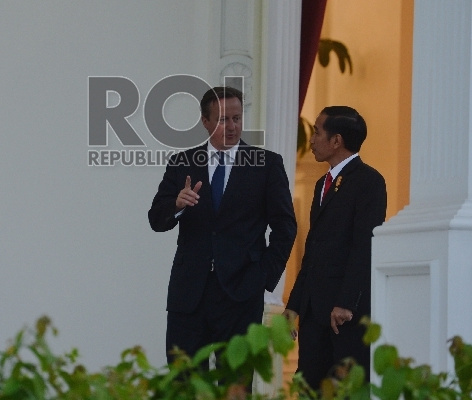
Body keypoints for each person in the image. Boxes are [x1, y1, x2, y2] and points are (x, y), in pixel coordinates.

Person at [148, 86, 297, 365]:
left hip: (241, 294)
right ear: (205, 122)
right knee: (184, 382)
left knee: (235, 384)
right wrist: (177, 205)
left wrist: (263, 276)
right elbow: (156, 218)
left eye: (237, 118)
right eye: (222, 120)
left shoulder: (266, 165)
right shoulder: (183, 163)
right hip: (189, 293)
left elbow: (285, 227)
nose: (231, 127)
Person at [284, 106, 386, 387]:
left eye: (317, 132)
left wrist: (345, 303)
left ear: (336, 140)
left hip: (344, 316)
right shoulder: (321, 184)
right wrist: (294, 306)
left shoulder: (369, 182)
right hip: (315, 311)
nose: (312, 139)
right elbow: (313, 249)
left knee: (343, 389)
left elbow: (364, 245)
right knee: (309, 387)